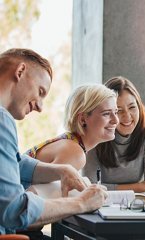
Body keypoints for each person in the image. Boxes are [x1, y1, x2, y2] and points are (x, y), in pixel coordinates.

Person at [0, 48, 107, 236]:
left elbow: (13, 163)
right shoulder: (2, 120)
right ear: (20, 72)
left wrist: (61, 170)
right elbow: (14, 211)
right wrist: (81, 203)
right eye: (40, 92)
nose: (40, 107)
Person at [83, 76, 145, 192]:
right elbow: (90, 188)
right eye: (118, 110)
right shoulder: (95, 136)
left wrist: (111, 188)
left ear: (139, 107)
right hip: (101, 205)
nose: (127, 116)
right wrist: (139, 186)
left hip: (137, 205)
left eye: (132, 107)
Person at [25, 84, 119, 171]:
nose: (116, 120)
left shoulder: (71, 143)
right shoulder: (74, 153)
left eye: (115, 112)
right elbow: (36, 188)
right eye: (106, 114)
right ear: (82, 119)